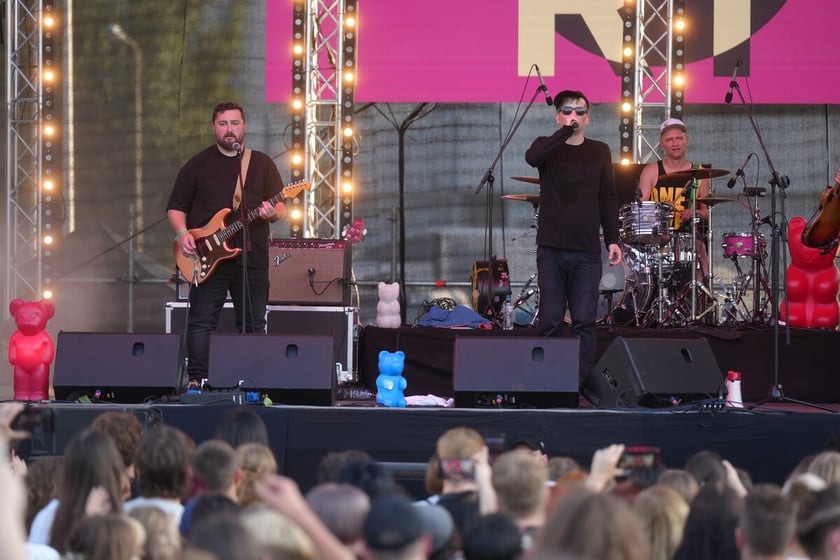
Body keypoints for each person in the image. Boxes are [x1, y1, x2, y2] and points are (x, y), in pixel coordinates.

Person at [166, 101, 287, 387]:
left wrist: (272, 213)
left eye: (235, 123)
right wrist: (182, 234)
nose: (229, 129)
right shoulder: (198, 165)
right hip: (206, 256)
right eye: (223, 124)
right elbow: (175, 207)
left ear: (244, 126)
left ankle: (254, 381)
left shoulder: (262, 163)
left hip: (252, 258)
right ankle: (198, 380)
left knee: (254, 323)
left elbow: (280, 206)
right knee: (202, 321)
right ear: (214, 128)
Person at [525, 90, 622, 387]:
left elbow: (607, 197)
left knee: (584, 321)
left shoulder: (600, 151)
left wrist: (612, 239)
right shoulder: (546, 147)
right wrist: (565, 132)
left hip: (586, 251)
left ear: (588, 118)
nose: (574, 116)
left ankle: (580, 385)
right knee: (551, 320)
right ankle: (547, 384)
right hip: (551, 249)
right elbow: (531, 158)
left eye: (580, 112)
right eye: (567, 111)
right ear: (558, 116)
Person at [637, 118, 711, 280]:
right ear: (661, 144)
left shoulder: (700, 173)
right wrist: (659, 208)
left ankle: (702, 293)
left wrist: (695, 213)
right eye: (669, 140)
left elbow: (707, 212)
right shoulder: (651, 171)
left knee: (702, 253)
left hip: (688, 239)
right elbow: (640, 210)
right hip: (657, 239)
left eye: (679, 138)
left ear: (687, 140)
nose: (675, 143)